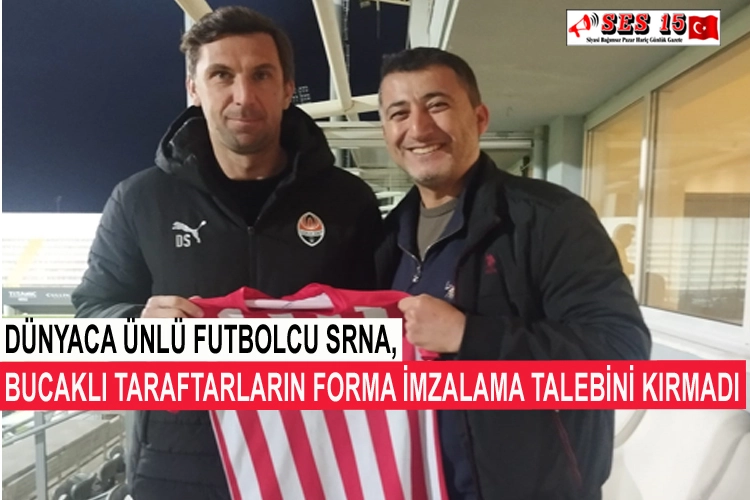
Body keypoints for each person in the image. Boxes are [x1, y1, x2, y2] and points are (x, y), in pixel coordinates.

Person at [72, 6, 382, 499]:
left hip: (312, 461)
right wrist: (136, 326)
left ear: (287, 88)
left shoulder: (348, 201)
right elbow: (90, 314)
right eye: (221, 75)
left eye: (261, 75)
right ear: (194, 88)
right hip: (176, 467)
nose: (243, 96)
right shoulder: (139, 200)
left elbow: (381, 328)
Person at [375, 47, 651, 500]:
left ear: (479, 118)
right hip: (422, 485)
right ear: (387, 131)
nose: (419, 128)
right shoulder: (385, 239)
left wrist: (470, 336)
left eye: (437, 105)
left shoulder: (550, 218)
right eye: (399, 113)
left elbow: (622, 357)